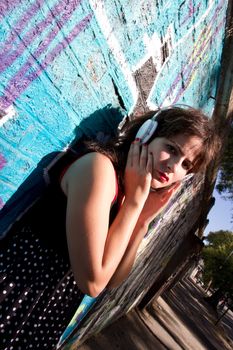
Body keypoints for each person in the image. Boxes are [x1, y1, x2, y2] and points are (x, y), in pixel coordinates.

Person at [0, 106, 220, 349]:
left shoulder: (130, 195)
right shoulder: (99, 170)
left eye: (186, 165)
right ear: (147, 134)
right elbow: (93, 283)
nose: (173, 167)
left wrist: (141, 222)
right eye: (171, 148)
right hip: (17, 293)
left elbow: (114, 279)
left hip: (47, 313)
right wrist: (134, 206)